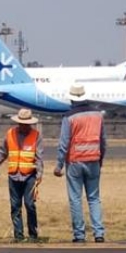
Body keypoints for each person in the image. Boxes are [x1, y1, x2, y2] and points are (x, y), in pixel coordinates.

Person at [53, 83, 107, 243]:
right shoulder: (98, 115)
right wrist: (100, 158)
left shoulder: (69, 116)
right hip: (94, 160)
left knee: (75, 199)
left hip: (75, 161)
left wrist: (59, 165)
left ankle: (79, 235)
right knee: (94, 198)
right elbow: (103, 140)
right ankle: (99, 233)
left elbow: (64, 142)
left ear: (72, 99)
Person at [0, 108, 44, 242]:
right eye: (21, 123)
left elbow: (39, 157)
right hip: (13, 176)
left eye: (26, 123)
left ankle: (33, 234)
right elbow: (2, 152)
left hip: (30, 175)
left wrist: (40, 174)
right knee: (15, 206)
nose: (24, 126)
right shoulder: (10, 134)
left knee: (30, 205)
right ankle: (18, 235)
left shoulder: (36, 135)